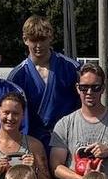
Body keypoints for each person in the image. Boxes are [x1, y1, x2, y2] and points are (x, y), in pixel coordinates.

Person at [7, 15, 81, 155]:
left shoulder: (71, 68)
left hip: (67, 140)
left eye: (42, 39)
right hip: (31, 142)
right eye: (34, 40)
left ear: (50, 38)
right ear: (25, 40)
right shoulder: (17, 75)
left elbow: (84, 104)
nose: (38, 45)